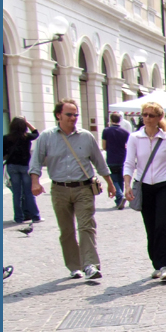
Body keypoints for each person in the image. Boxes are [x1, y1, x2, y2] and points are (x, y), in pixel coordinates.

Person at [29, 99, 116, 280]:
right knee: (67, 230)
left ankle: (90, 265)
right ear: (58, 115)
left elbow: (99, 161)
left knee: (87, 226)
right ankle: (74, 266)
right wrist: (35, 182)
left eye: (76, 114)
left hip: (83, 187)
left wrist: (110, 182)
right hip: (59, 189)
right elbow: (36, 161)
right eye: (69, 114)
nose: (73, 118)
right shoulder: (46, 136)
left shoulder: (86, 136)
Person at [123, 102, 166, 281]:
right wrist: (127, 184)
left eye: (151, 115)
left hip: (164, 185)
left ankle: (165, 264)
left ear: (159, 118)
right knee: (150, 226)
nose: (147, 118)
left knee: (161, 224)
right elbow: (129, 163)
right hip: (144, 186)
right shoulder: (135, 138)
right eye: (144, 115)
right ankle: (156, 263)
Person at [3, 116, 41, 223]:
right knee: (28, 192)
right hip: (25, 166)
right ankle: (35, 216)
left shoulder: (6, 138)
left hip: (12, 167)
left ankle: (18, 218)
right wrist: (27, 123)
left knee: (16, 193)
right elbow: (36, 133)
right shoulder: (27, 137)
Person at [101, 113, 130, 210]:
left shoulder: (106, 131)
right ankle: (119, 200)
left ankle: (119, 195)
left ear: (110, 119)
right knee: (121, 179)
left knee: (114, 179)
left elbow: (104, 146)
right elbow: (129, 145)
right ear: (120, 120)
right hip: (122, 157)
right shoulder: (125, 132)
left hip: (111, 158)